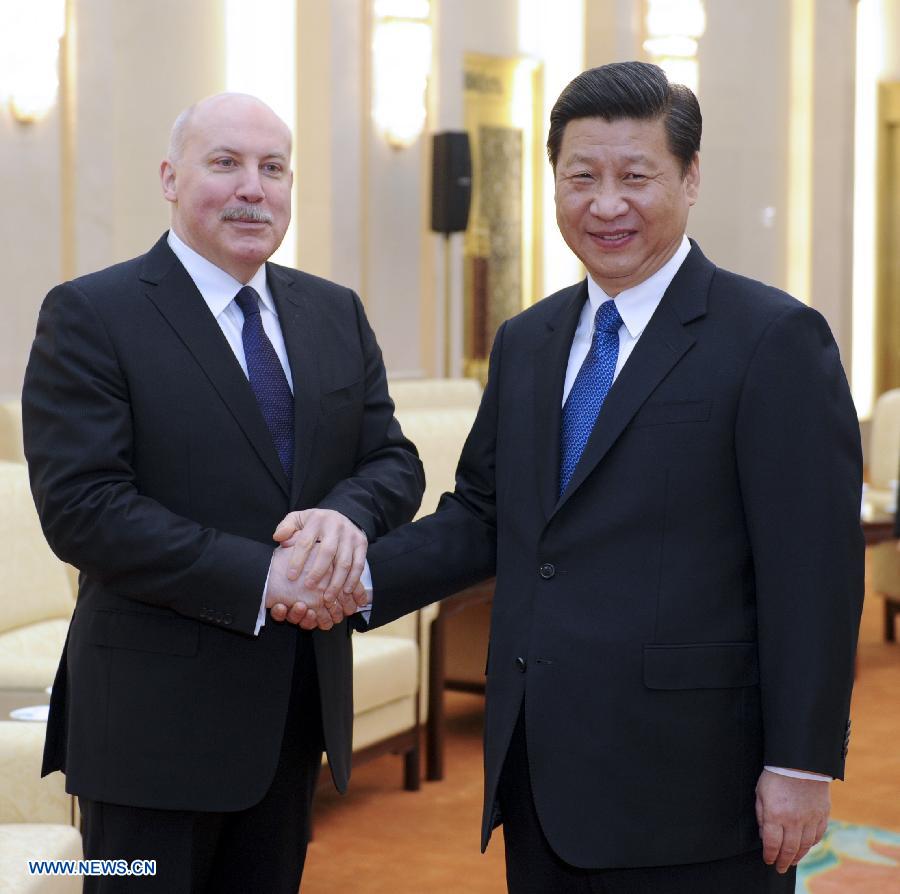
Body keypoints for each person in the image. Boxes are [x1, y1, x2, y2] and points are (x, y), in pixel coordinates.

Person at [275, 62, 864, 892]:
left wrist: (801, 764)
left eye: (636, 176)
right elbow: (485, 514)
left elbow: (815, 572)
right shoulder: (528, 341)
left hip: (697, 786)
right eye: (580, 177)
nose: (606, 203)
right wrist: (351, 577)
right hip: (540, 772)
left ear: (691, 178)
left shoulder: (772, 338)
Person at [22, 93, 424, 893]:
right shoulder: (93, 314)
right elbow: (84, 507)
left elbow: (393, 461)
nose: (254, 188)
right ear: (170, 179)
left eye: (273, 168)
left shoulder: (333, 312)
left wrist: (344, 521)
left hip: (291, 714)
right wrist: (264, 577)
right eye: (226, 163)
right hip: (146, 733)